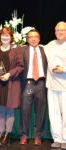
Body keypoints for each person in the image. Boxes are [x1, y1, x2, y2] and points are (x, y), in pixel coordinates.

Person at [0, 27, 23, 146]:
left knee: (10, 110)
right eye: (3, 35)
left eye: (7, 35)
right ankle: (0, 134)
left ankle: (7, 136)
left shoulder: (17, 49)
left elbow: (20, 66)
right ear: (0, 37)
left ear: (11, 37)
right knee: (0, 110)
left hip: (11, 84)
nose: (5, 37)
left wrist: (9, 74)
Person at [19, 29, 47, 145]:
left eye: (36, 37)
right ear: (27, 39)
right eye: (31, 37)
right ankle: (24, 135)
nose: (33, 39)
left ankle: (38, 136)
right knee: (25, 110)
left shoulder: (45, 50)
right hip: (27, 83)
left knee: (41, 111)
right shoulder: (22, 50)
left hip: (41, 83)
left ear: (39, 38)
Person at [44, 21, 66, 149]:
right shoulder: (50, 45)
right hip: (52, 85)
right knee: (54, 114)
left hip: (65, 86)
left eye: (62, 30)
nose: (60, 32)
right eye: (58, 30)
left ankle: (65, 139)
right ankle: (57, 138)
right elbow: (36, 47)